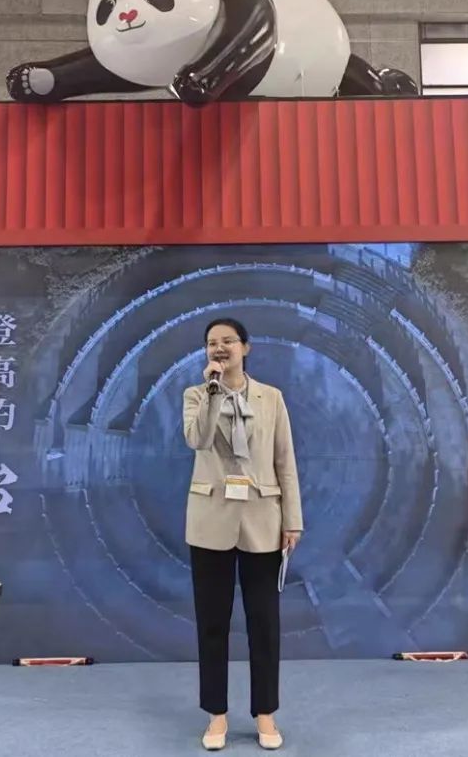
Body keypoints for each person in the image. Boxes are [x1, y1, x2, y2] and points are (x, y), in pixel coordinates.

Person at [182, 318, 303, 752]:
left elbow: (285, 460)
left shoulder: (272, 398)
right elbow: (197, 439)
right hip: (210, 519)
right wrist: (214, 391)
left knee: (264, 624)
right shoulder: (196, 395)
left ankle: (265, 712)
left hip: (263, 519)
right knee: (212, 623)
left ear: (246, 348)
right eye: (212, 343)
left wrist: (293, 520)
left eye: (228, 341)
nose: (219, 348)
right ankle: (216, 714)